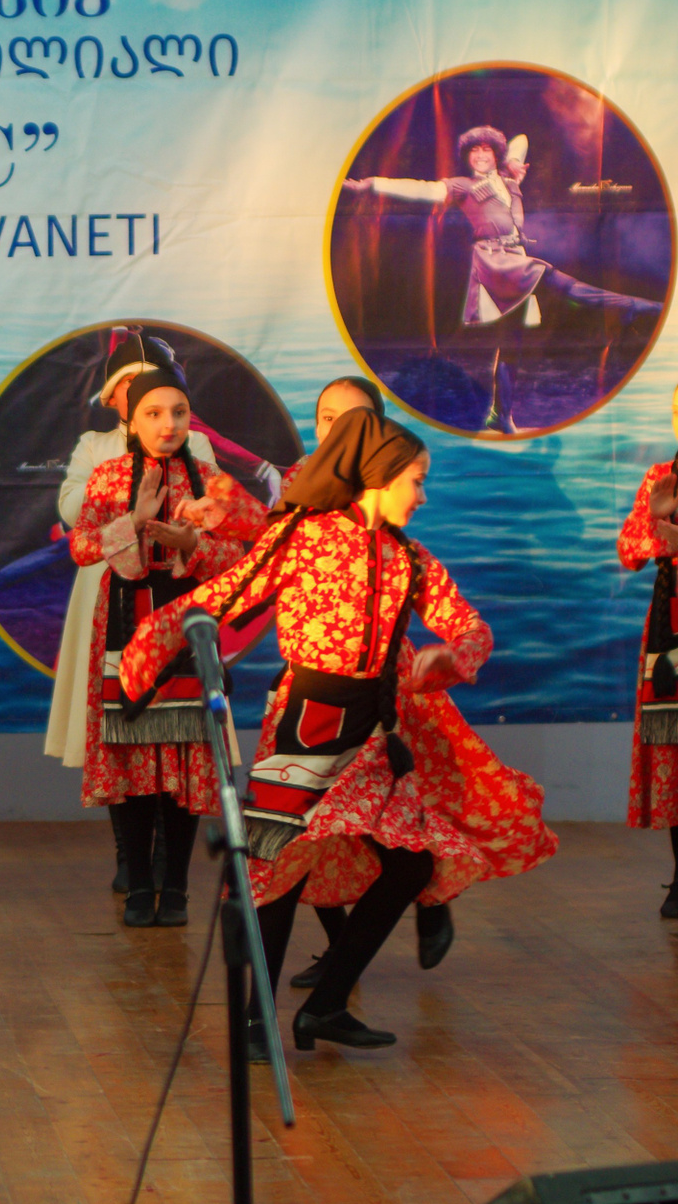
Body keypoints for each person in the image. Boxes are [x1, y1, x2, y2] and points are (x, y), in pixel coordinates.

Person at [123, 407, 556, 1052]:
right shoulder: (306, 536)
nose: (423, 495)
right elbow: (221, 597)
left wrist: (454, 657)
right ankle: (256, 1022)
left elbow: (471, 625)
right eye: (416, 480)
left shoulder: (409, 557)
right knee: (280, 869)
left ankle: (324, 1006)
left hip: (373, 733)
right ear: (379, 476)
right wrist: (146, 654)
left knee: (410, 865)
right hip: (307, 723)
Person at [69, 363, 265, 928]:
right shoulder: (108, 477)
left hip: (186, 629)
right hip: (124, 626)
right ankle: (138, 887)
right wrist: (133, 521)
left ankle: (175, 888)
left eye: (179, 412)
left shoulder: (212, 480)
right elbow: (82, 548)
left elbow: (246, 557)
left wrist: (192, 546)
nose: (169, 424)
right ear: (132, 420)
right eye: (154, 413)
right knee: (132, 760)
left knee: (186, 756)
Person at [282, 378, 458, 987]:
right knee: (310, 826)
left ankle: (427, 900)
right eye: (327, 418)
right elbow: (270, 553)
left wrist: (449, 656)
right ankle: (339, 962)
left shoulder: (397, 523)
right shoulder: (302, 484)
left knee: (400, 809)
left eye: (355, 421)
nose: (338, 432)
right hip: (316, 679)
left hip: (384, 677)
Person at [49, 330, 221, 895]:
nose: (160, 415)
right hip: (114, 599)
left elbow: (223, 528)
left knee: (182, 742)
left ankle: (171, 871)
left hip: (179, 606)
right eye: (133, 388)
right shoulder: (97, 450)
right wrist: (131, 508)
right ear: (116, 396)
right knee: (123, 737)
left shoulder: (197, 450)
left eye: (173, 406)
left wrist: (189, 538)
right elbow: (75, 516)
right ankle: (132, 859)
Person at [344, 126, 662, 431]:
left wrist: (512, 162)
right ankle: (631, 306)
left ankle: (501, 415)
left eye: (486, 149)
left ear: (496, 154)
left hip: (515, 255)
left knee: (511, 344)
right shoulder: (463, 186)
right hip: (495, 260)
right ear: (467, 157)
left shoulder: (510, 181)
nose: (480, 155)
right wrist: (372, 184)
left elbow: (521, 139)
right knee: (557, 280)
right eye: (474, 150)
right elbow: (422, 189)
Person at [616, 390, 678, 918]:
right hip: (671, 634)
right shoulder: (661, 476)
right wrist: (656, 529)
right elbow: (628, 552)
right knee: (675, 754)